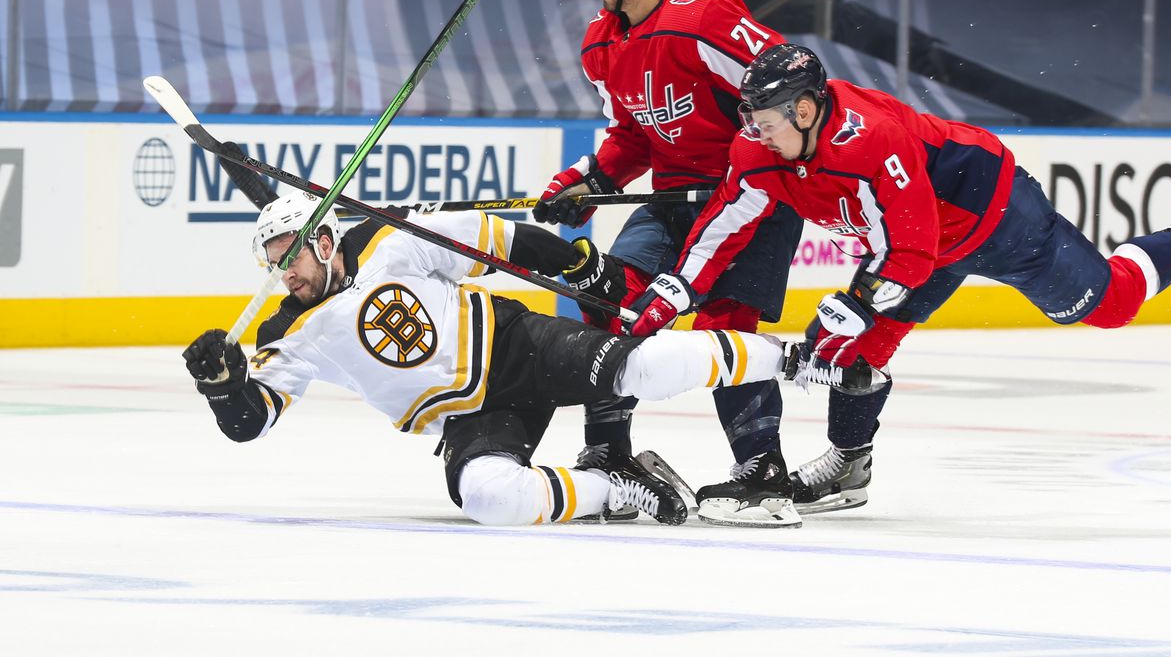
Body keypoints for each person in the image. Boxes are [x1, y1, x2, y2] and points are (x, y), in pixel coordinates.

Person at [626, 42, 1171, 514]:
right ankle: (850, 464)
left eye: (766, 118)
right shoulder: (758, 149)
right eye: (750, 117)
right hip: (912, 245)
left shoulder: (871, 141)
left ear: (808, 108)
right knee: (852, 351)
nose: (754, 132)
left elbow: (913, 250)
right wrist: (675, 288)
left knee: (1108, 303)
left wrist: (852, 302)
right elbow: (723, 225)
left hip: (994, 214)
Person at [181, 192, 848, 527]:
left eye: (289, 253)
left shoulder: (386, 238)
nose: (282, 271)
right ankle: (614, 484)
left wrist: (579, 265)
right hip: (464, 415)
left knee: (637, 365)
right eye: (272, 261)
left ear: (325, 239)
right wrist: (222, 383)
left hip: (517, 345)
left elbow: (495, 238)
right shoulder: (284, 327)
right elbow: (250, 421)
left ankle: (793, 359)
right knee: (488, 497)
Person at [532, 0, 807, 528]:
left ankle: (762, 472)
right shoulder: (601, 41)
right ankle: (610, 454)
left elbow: (790, 92)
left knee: (723, 329)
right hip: (674, 199)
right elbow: (632, 133)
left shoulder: (704, 17)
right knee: (607, 298)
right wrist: (590, 177)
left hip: (751, 199)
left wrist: (754, 172)